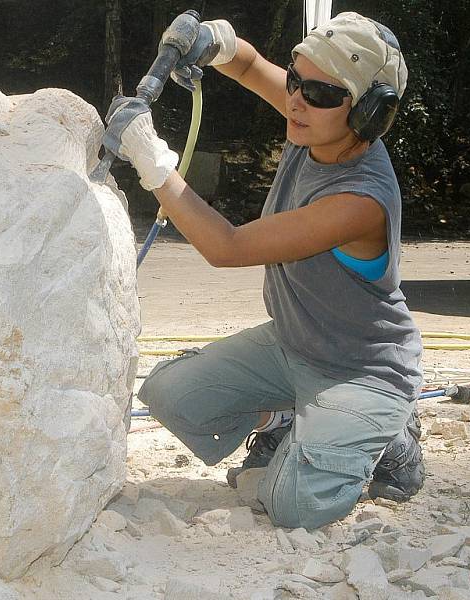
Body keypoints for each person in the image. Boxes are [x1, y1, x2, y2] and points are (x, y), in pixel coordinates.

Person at [104, 12, 425, 529]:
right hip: (294, 346)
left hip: (363, 369)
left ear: (368, 112)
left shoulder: (358, 200)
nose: (296, 100)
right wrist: (213, 40)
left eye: (320, 93)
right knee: (171, 396)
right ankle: (288, 418)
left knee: (293, 505)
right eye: (296, 81)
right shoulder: (318, 124)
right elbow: (250, 65)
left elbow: (227, 247)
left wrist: (151, 159)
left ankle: (391, 434)